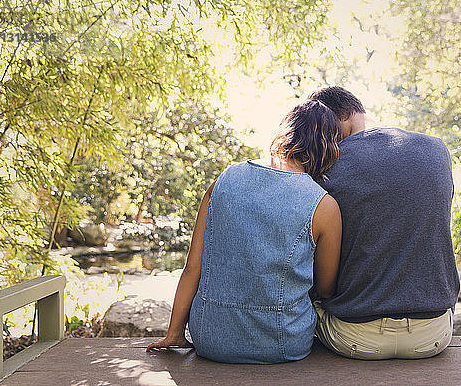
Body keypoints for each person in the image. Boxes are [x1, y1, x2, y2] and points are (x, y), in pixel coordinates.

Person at [146, 100, 342, 364]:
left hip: (210, 338)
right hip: (282, 343)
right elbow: (326, 289)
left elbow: (193, 268)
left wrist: (174, 334)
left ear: (284, 134)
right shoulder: (324, 205)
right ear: (328, 148)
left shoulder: (223, 181)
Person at [308, 86, 460, 360]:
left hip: (355, 337)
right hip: (433, 334)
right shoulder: (436, 149)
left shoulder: (326, 166)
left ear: (329, 120)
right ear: (357, 112)